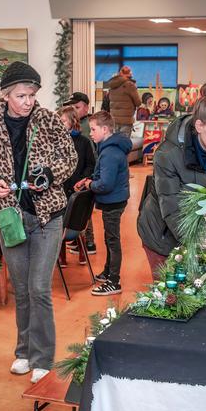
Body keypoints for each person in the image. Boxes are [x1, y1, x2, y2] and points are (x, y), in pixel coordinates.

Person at [0, 61, 76, 384]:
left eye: (31, 94)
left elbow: (69, 158)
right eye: (20, 95)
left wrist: (49, 174)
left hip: (47, 216)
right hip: (10, 216)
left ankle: (43, 357)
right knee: (22, 290)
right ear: (5, 95)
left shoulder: (47, 121)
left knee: (39, 287)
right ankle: (24, 352)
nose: (28, 101)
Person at [137, 82, 206, 274]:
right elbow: (172, 208)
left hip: (202, 236)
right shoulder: (168, 154)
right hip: (163, 237)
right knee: (174, 297)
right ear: (199, 125)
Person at [74, 111, 131, 295]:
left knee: (112, 240)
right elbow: (103, 175)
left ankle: (114, 281)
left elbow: (105, 184)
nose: (90, 133)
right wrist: (89, 179)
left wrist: (90, 184)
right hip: (114, 200)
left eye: (93, 129)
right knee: (109, 238)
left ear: (105, 129)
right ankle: (108, 271)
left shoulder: (110, 153)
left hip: (113, 201)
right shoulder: (108, 148)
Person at [57, 106, 96, 268]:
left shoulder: (84, 142)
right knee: (60, 223)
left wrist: (82, 180)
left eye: (63, 121)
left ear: (73, 121)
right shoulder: (56, 141)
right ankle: (61, 256)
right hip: (60, 189)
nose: (60, 124)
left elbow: (90, 164)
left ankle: (82, 251)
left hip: (78, 189)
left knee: (78, 223)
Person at [64, 92, 97, 254]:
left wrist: (86, 178)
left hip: (80, 182)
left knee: (81, 212)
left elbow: (91, 160)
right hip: (70, 184)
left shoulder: (85, 130)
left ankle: (88, 242)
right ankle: (79, 241)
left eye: (77, 107)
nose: (75, 110)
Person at [104, 65, 142, 136]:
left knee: (115, 143)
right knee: (124, 143)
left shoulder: (112, 85)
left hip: (114, 119)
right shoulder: (129, 85)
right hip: (126, 120)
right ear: (129, 74)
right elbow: (138, 102)